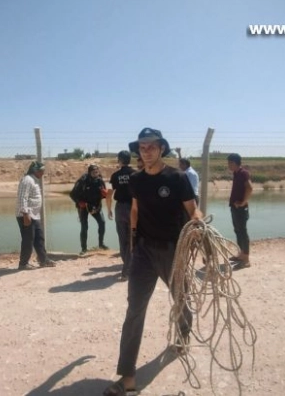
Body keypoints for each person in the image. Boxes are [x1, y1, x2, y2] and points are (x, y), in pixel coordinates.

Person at [103, 128, 203, 396]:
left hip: (174, 251)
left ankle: (183, 334)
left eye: (151, 146)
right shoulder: (136, 179)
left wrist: (199, 226)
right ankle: (127, 378)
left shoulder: (177, 177)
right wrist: (134, 243)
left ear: (161, 148)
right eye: (142, 147)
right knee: (134, 309)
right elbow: (135, 210)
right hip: (144, 252)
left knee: (180, 297)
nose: (146, 151)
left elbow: (193, 210)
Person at [15, 161, 56, 270]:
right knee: (28, 239)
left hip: (34, 215)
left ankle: (43, 260)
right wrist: (25, 214)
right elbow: (22, 197)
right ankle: (23, 263)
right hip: (27, 215)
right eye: (41, 170)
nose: (43, 172)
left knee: (39, 238)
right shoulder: (27, 180)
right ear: (35, 170)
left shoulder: (34, 180)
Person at [106, 151, 136, 281]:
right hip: (134, 207)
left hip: (120, 208)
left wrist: (109, 209)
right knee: (132, 239)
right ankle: (127, 268)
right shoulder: (136, 174)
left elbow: (108, 194)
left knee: (122, 238)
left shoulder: (115, 175)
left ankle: (126, 267)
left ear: (120, 160)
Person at [70, 164, 108, 254]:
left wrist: (105, 195)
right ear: (89, 172)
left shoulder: (100, 181)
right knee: (84, 227)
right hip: (84, 206)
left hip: (96, 206)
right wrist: (79, 202)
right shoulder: (82, 181)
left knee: (102, 222)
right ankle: (84, 249)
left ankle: (101, 244)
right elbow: (72, 194)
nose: (96, 173)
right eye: (94, 172)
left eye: (97, 172)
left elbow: (104, 195)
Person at [227, 153, 253, 269]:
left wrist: (243, 202)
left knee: (242, 231)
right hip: (234, 207)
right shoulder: (236, 173)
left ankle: (246, 259)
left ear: (235, 162)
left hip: (241, 208)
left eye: (230, 163)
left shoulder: (243, 173)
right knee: (237, 230)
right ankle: (241, 254)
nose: (228, 165)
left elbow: (250, 188)